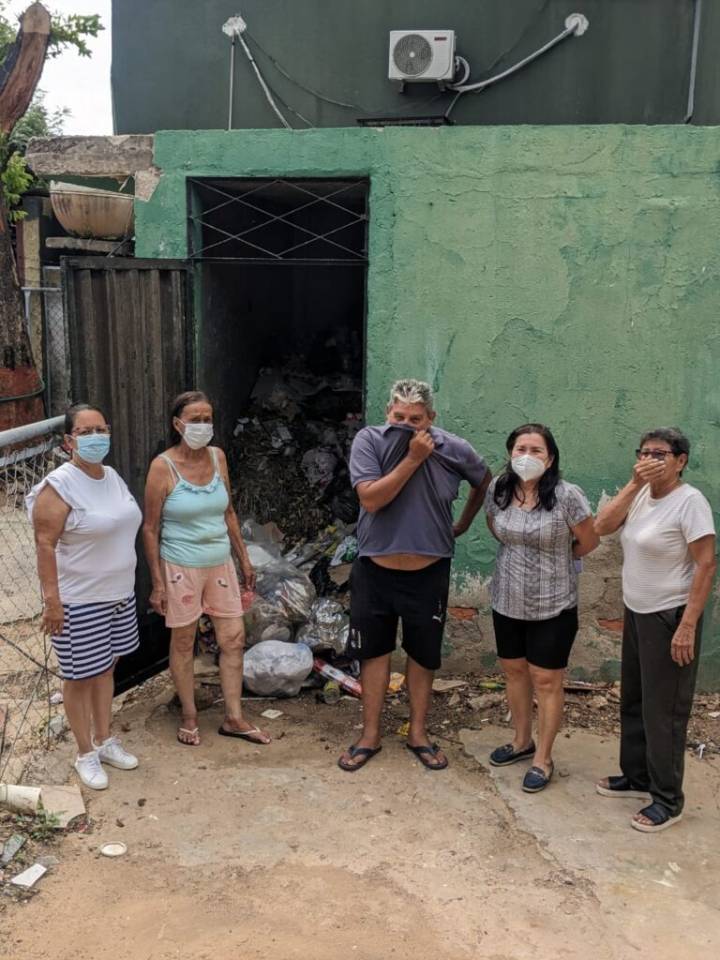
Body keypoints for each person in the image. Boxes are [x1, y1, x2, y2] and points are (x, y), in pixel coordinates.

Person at [338, 378, 491, 772]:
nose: (407, 424)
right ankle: (370, 734)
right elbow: (371, 498)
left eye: (416, 418)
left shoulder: (453, 448)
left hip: (429, 569)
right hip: (376, 569)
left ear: (431, 418)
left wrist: (462, 523)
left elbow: (483, 479)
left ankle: (418, 734)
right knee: (374, 653)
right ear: (388, 412)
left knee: (423, 656)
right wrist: (412, 459)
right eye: (399, 416)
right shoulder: (369, 442)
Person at [594, 428, 716, 832]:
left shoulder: (690, 502)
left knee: (664, 712)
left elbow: (706, 564)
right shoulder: (642, 493)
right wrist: (633, 483)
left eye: (660, 454)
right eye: (644, 452)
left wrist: (687, 625)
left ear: (680, 461)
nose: (650, 459)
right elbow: (601, 526)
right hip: (637, 611)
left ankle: (667, 799)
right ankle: (637, 776)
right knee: (634, 699)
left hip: (669, 617)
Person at [143, 390, 269, 747]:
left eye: (207, 419)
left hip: (220, 564)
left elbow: (228, 511)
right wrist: (157, 583)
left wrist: (243, 558)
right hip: (180, 566)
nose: (202, 426)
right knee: (184, 641)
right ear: (178, 424)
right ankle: (189, 714)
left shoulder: (218, 457)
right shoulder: (162, 467)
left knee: (234, 639)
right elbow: (150, 528)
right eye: (195, 420)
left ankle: (234, 717)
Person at [27, 403, 142, 790]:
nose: (96, 437)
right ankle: (84, 752)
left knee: (107, 668)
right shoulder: (58, 486)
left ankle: (105, 738)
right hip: (79, 600)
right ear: (68, 440)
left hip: (118, 595)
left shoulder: (111, 476)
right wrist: (52, 602)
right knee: (80, 677)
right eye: (86, 431)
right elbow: (45, 545)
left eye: (102, 429)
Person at [485, 424, 598, 793]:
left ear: (550, 459)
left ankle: (543, 758)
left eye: (536, 450)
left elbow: (588, 540)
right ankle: (521, 741)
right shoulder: (499, 489)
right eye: (521, 448)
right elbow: (495, 527)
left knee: (547, 681)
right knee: (514, 672)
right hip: (507, 598)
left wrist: (554, 563)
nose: (527, 456)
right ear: (510, 453)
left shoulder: (567, 496)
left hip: (554, 603)